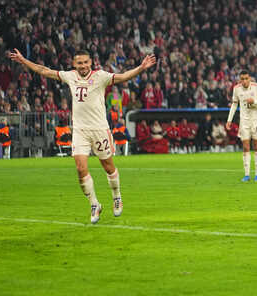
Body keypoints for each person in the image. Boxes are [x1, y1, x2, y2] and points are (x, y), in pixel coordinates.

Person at [10, 48, 156, 223]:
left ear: (90, 62)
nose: (83, 66)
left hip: (100, 129)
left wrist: (141, 67)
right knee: (80, 168)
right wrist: (24, 60)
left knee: (108, 167)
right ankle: (94, 204)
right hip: (80, 131)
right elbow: (44, 70)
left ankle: (116, 197)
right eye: (79, 63)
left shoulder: (100, 76)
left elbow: (123, 77)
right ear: (74, 64)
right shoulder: (70, 76)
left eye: (86, 62)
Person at [226, 70, 257, 182]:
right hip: (244, 122)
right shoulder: (236, 89)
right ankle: (246, 175)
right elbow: (234, 104)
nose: (244, 81)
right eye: (242, 79)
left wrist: (255, 101)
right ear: (240, 80)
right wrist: (229, 120)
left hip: (256, 121)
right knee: (245, 147)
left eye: (246, 78)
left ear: (250, 78)